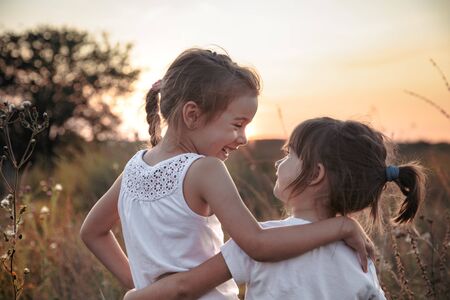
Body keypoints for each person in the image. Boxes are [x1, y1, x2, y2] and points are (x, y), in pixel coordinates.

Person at [80, 49, 373, 299]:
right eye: (237, 124)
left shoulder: (134, 167)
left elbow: (92, 232)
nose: (244, 138)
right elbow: (258, 244)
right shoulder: (204, 169)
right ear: (192, 115)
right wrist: (342, 227)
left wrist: (141, 289)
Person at [124, 117, 426, 300]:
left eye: (289, 154)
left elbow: (184, 289)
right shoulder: (360, 255)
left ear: (316, 173)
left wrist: (136, 296)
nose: (280, 162)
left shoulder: (259, 243)